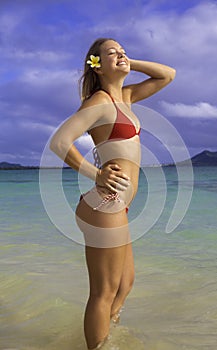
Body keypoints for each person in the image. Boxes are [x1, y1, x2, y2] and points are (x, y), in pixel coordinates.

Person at [50, 37, 176, 349]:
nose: (121, 54)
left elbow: (167, 74)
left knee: (124, 285)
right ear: (97, 65)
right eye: (112, 53)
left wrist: (127, 63)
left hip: (119, 207)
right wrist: (97, 173)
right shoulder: (99, 103)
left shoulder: (127, 97)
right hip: (105, 204)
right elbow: (59, 142)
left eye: (123, 51)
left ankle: (108, 337)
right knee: (103, 291)